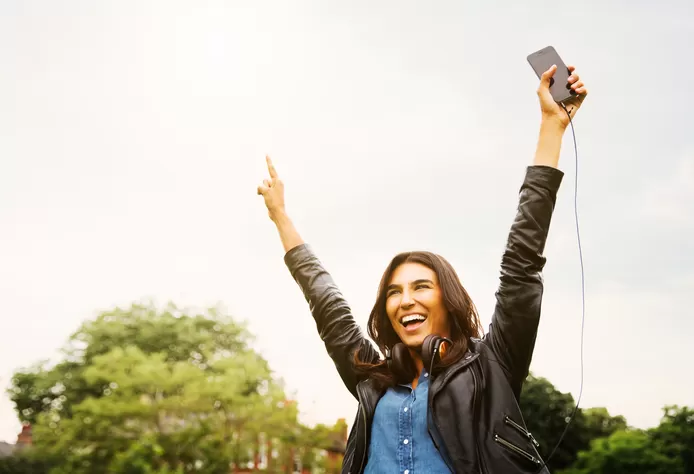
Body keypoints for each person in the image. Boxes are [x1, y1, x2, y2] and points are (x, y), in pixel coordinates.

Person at [256, 64, 587, 474]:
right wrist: (281, 219)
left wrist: (552, 127)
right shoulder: (371, 381)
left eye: (420, 287)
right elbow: (327, 304)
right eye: (393, 292)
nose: (405, 300)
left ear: (448, 300)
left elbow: (521, 263)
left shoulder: (491, 367)